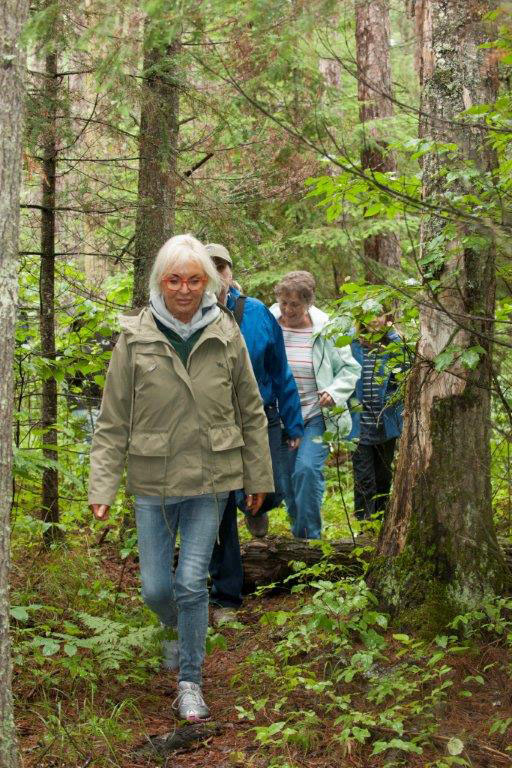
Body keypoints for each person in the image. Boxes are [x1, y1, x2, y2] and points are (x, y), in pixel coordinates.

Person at [88, 234, 274, 722]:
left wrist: (258, 478)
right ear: (160, 282)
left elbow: (251, 412)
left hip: (211, 479)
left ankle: (190, 680)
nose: (185, 289)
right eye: (174, 279)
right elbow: (112, 420)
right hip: (152, 479)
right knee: (155, 589)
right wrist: (102, 485)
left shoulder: (227, 334)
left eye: (194, 279)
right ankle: (175, 630)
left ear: (208, 282)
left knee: (191, 582)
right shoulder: (134, 336)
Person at [205, 243, 303, 622]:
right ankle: (226, 595)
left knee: (271, 489)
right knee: (222, 506)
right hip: (217, 427)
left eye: (221, 268)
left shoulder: (259, 313)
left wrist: (293, 423)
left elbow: (280, 370)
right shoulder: (191, 317)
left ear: (231, 273)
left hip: (262, 418)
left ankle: (256, 507)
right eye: (208, 267)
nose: (216, 274)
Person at [270, 271, 361, 540]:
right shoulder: (271, 323)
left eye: (295, 304)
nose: (288, 309)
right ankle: (301, 536)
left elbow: (349, 368)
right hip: (282, 417)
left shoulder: (326, 329)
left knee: (307, 471)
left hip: (315, 415)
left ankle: (310, 541)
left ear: (309, 302)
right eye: (284, 303)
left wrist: (334, 392)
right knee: (287, 481)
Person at [347, 311, 406, 522]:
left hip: (386, 422)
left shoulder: (395, 344)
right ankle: (364, 526)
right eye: (369, 314)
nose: (375, 319)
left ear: (387, 316)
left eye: (379, 314)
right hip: (359, 424)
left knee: (383, 477)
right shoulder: (352, 342)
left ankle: (381, 521)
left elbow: (403, 377)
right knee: (364, 479)